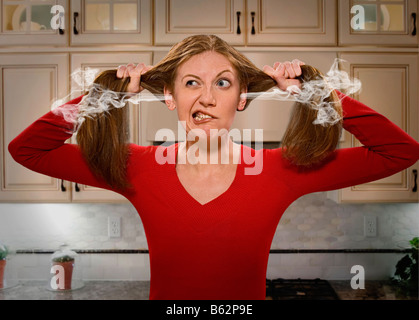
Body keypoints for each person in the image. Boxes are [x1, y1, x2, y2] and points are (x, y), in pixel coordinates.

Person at [8, 35, 419, 300]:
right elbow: (27, 149)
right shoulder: (133, 167)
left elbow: (399, 152)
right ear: (169, 97)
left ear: (242, 98)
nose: (206, 98)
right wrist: (101, 96)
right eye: (191, 83)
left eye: (222, 83)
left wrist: (317, 93)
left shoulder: (281, 169)